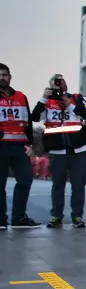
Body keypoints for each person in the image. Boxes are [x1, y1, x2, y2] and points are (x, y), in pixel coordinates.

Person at [31, 73, 86, 228]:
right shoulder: (47, 102)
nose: (59, 86)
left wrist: (69, 104)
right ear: (51, 86)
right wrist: (43, 98)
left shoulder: (77, 98)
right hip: (57, 151)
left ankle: (77, 217)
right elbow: (34, 117)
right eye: (55, 83)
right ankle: (56, 216)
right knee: (57, 186)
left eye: (61, 82)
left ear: (66, 84)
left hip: (78, 149)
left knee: (78, 185)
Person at [0, 63, 40, 229]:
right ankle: (0, 219)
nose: (1, 78)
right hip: (1, 146)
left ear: (10, 77)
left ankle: (18, 217)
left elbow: (28, 121)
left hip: (19, 146)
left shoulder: (21, 97)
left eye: (4, 75)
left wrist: (30, 142)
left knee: (25, 181)